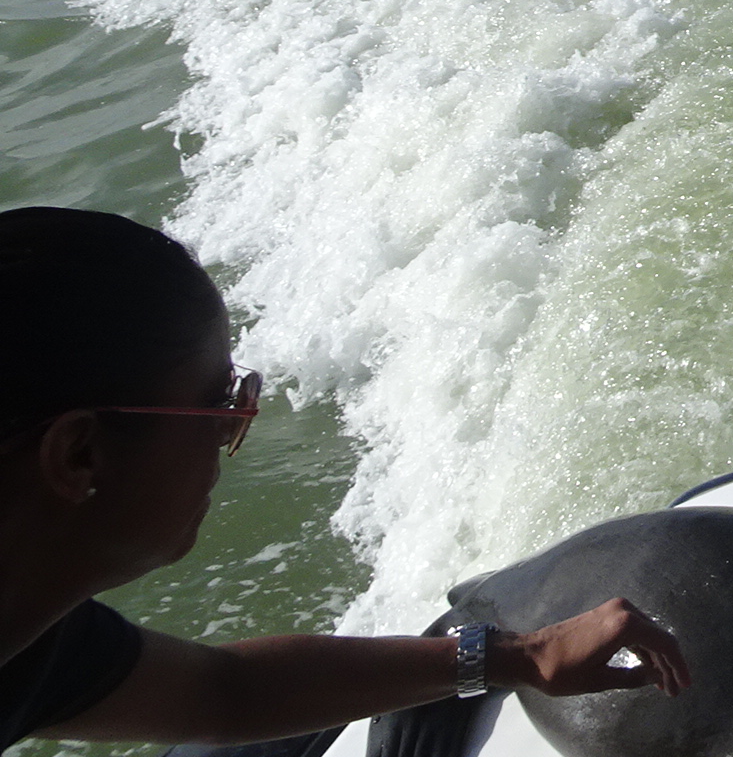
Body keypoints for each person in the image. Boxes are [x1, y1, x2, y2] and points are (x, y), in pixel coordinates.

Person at [0, 206, 691, 752]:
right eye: (222, 406)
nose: (237, 429)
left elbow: (224, 691)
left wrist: (523, 656)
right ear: (79, 454)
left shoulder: (39, 645)